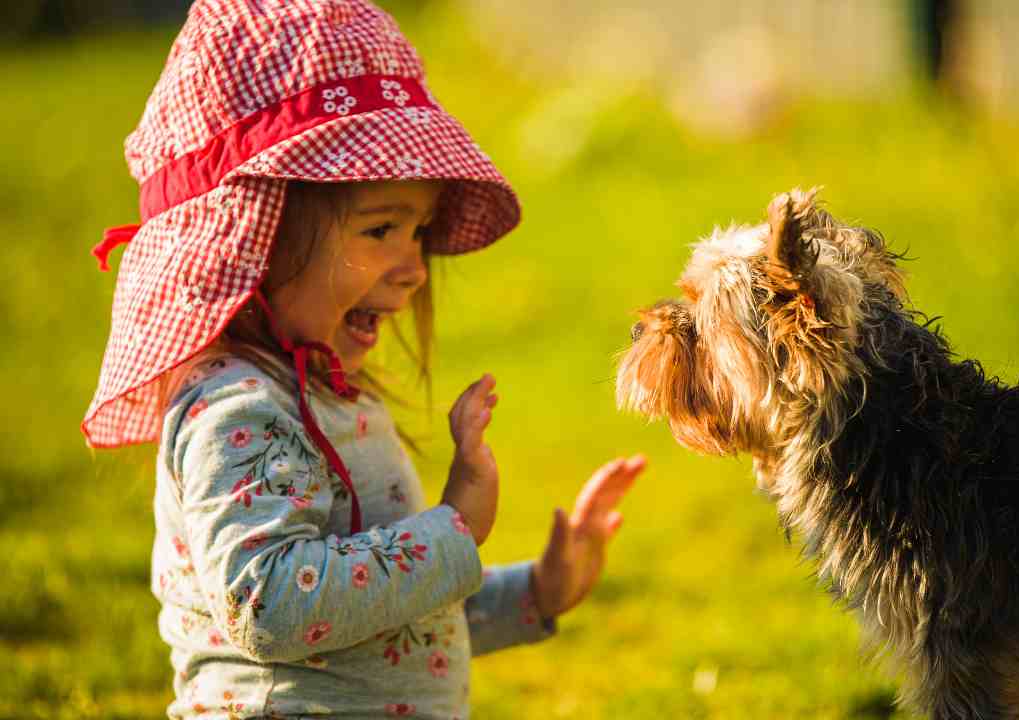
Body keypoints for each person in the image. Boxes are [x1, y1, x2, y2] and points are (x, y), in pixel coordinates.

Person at [81, 1, 645, 717]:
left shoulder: (334, 396)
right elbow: (270, 606)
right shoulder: (238, 409)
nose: (414, 267)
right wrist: (453, 529)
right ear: (257, 232)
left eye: (420, 230)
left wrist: (537, 591)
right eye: (381, 229)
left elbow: (389, 622)